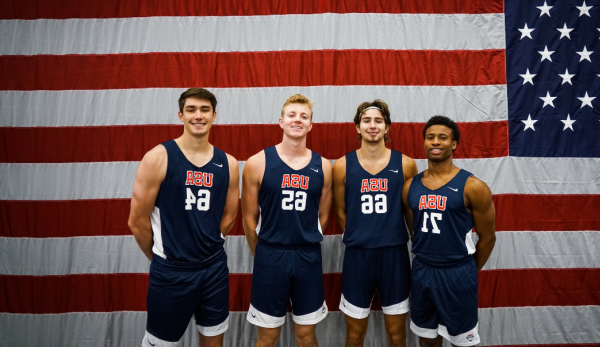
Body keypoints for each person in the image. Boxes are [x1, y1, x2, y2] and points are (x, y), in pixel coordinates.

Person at [128, 88, 240, 347]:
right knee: (161, 343)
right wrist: (162, 256)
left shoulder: (229, 163)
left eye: (204, 110)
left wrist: (209, 242)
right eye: (191, 110)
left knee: (213, 342)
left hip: (213, 269)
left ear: (215, 116)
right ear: (181, 115)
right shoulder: (158, 157)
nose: (198, 115)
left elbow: (230, 216)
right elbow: (136, 221)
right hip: (171, 271)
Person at [242, 94, 333, 347]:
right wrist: (261, 253)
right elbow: (248, 219)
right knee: (268, 336)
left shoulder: (324, 166)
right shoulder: (257, 162)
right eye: (292, 115)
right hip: (271, 256)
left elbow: (323, 216)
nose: (298, 120)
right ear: (281, 121)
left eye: (304, 116)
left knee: (306, 336)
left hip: (307, 256)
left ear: (311, 125)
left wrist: (304, 237)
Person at [402, 115, 496, 347]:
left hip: (457, 272)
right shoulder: (409, 186)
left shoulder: (473, 186)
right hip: (422, 270)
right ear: (424, 142)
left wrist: (468, 271)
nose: (436, 142)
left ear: (453, 144)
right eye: (430, 137)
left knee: (463, 342)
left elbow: (488, 238)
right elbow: (415, 230)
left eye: (443, 138)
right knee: (427, 340)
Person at [332, 100, 418, 347]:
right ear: (357, 127)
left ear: (387, 127)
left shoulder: (406, 164)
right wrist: (363, 234)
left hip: (394, 256)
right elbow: (341, 211)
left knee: (397, 335)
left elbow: (410, 213)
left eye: (378, 121)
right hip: (358, 256)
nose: (372, 125)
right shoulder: (342, 166)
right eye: (367, 120)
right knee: (354, 335)